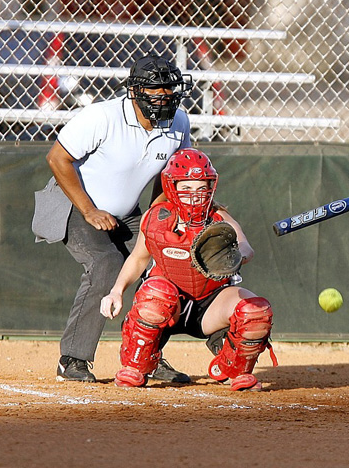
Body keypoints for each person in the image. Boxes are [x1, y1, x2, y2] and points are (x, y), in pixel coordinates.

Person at [36, 53, 194, 383]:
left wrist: (157, 222)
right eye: (155, 90)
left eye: (169, 89)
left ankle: (146, 354)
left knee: (165, 261)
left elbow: (170, 178)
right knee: (106, 264)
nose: (164, 97)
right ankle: (72, 359)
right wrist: (90, 211)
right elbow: (57, 158)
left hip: (128, 213)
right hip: (75, 204)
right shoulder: (103, 116)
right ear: (135, 92)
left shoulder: (178, 122)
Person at [99, 148, 278, 391]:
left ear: (210, 187)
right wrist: (117, 291)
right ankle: (136, 366)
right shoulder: (155, 218)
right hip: (169, 305)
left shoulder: (219, 217)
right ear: (172, 188)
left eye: (200, 188)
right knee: (156, 295)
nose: (194, 196)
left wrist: (238, 255)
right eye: (186, 189)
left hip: (209, 304)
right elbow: (138, 259)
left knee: (255, 312)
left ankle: (235, 368)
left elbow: (246, 246)